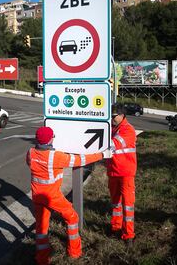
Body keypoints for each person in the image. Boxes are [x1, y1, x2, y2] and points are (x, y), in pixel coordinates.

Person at [27, 126, 112, 265]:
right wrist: (102, 155)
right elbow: (80, 160)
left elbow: (31, 163)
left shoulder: (30, 153)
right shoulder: (55, 157)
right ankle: (74, 252)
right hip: (52, 196)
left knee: (41, 227)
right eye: (52, 136)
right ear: (49, 139)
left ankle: (42, 259)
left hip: (37, 195)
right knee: (72, 218)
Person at [106, 103, 137, 241]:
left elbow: (113, 144)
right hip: (113, 171)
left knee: (127, 205)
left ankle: (128, 235)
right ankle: (115, 227)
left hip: (125, 173)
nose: (111, 118)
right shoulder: (112, 128)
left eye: (114, 116)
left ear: (122, 115)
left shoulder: (128, 129)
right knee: (115, 203)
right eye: (110, 116)